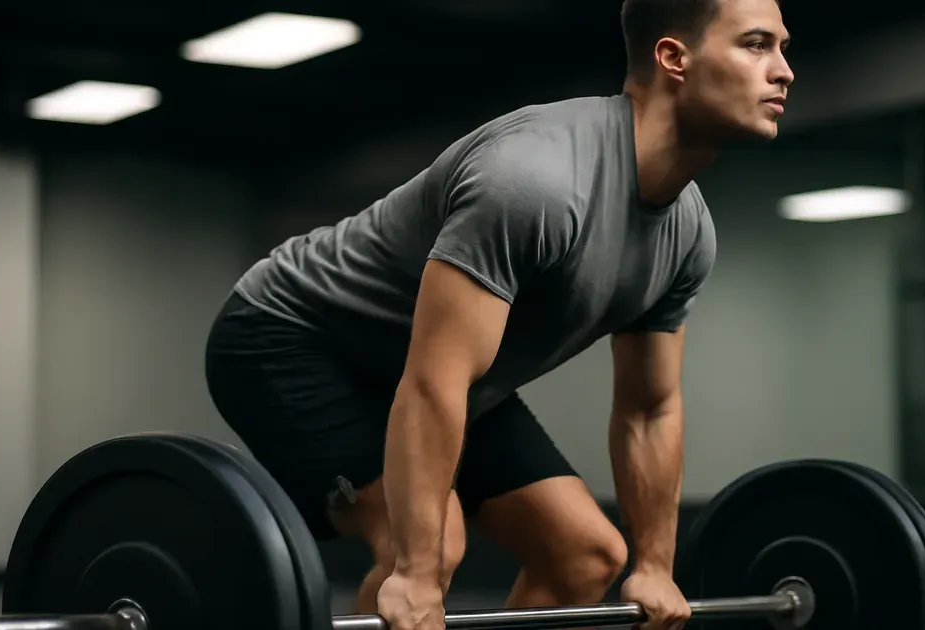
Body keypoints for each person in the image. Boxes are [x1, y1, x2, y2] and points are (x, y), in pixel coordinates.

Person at [203, 0, 792, 628]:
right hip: (292, 336)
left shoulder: (688, 234)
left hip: (433, 370)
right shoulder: (536, 180)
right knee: (426, 550)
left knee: (586, 556)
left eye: (783, 48)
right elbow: (434, 382)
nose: (784, 70)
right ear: (674, 57)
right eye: (757, 44)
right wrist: (414, 576)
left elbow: (649, 409)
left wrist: (654, 565)